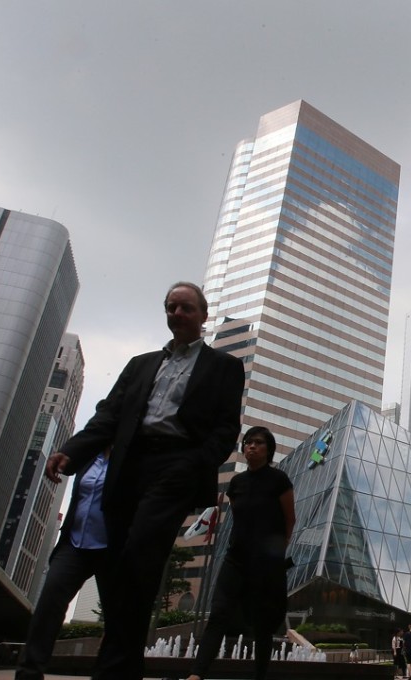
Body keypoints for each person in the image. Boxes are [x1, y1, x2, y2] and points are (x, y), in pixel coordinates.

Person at [45, 281, 244, 680]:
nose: (177, 314)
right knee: (121, 566)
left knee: (139, 556)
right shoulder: (140, 364)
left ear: (203, 316)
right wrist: (74, 449)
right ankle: (125, 664)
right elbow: (109, 414)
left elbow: (226, 429)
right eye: (171, 307)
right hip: (129, 467)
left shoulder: (224, 366)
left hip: (176, 467)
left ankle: (113, 669)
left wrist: (194, 465)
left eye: (186, 308)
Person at [186, 426, 295, 680]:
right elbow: (238, 519)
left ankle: (260, 675)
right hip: (236, 558)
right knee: (219, 613)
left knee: (263, 625)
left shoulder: (279, 480)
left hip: (266, 563)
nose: (251, 446)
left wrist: (278, 551)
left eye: (258, 443)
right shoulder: (236, 483)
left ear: (269, 450)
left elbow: (290, 519)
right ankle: (196, 674)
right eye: (247, 442)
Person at [16, 446, 112, 680]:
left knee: (119, 617)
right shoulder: (89, 457)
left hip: (112, 548)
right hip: (74, 544)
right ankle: (29, 673)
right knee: (49, 604)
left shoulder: (132, 459)